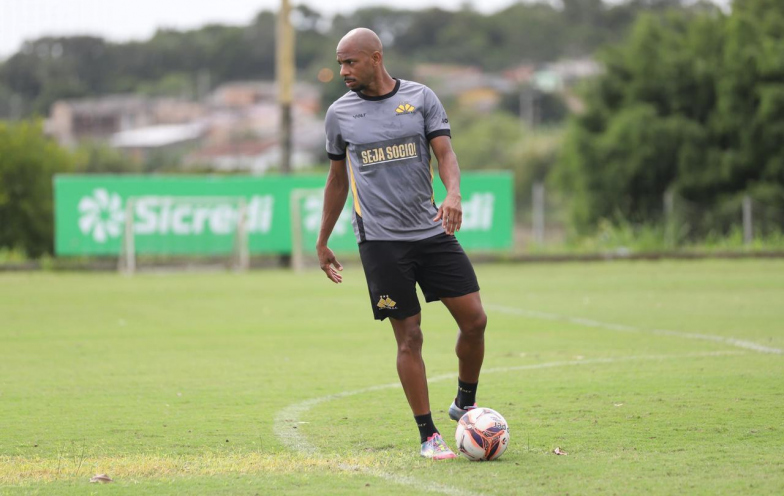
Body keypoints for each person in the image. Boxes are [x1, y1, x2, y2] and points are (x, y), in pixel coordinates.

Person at [317, 28, 488, 460]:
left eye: (350, 62)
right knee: (409, 337)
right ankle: (428, 435)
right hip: (380, 242)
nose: (343, 71)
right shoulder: (339, 114)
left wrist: (453, 194)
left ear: (376, 58)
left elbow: (445, 155)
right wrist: (322, 240)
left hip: (431, 231)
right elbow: (337, 180)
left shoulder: (421, 98)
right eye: (339, 62)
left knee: (475, 321)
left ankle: (465, 404)